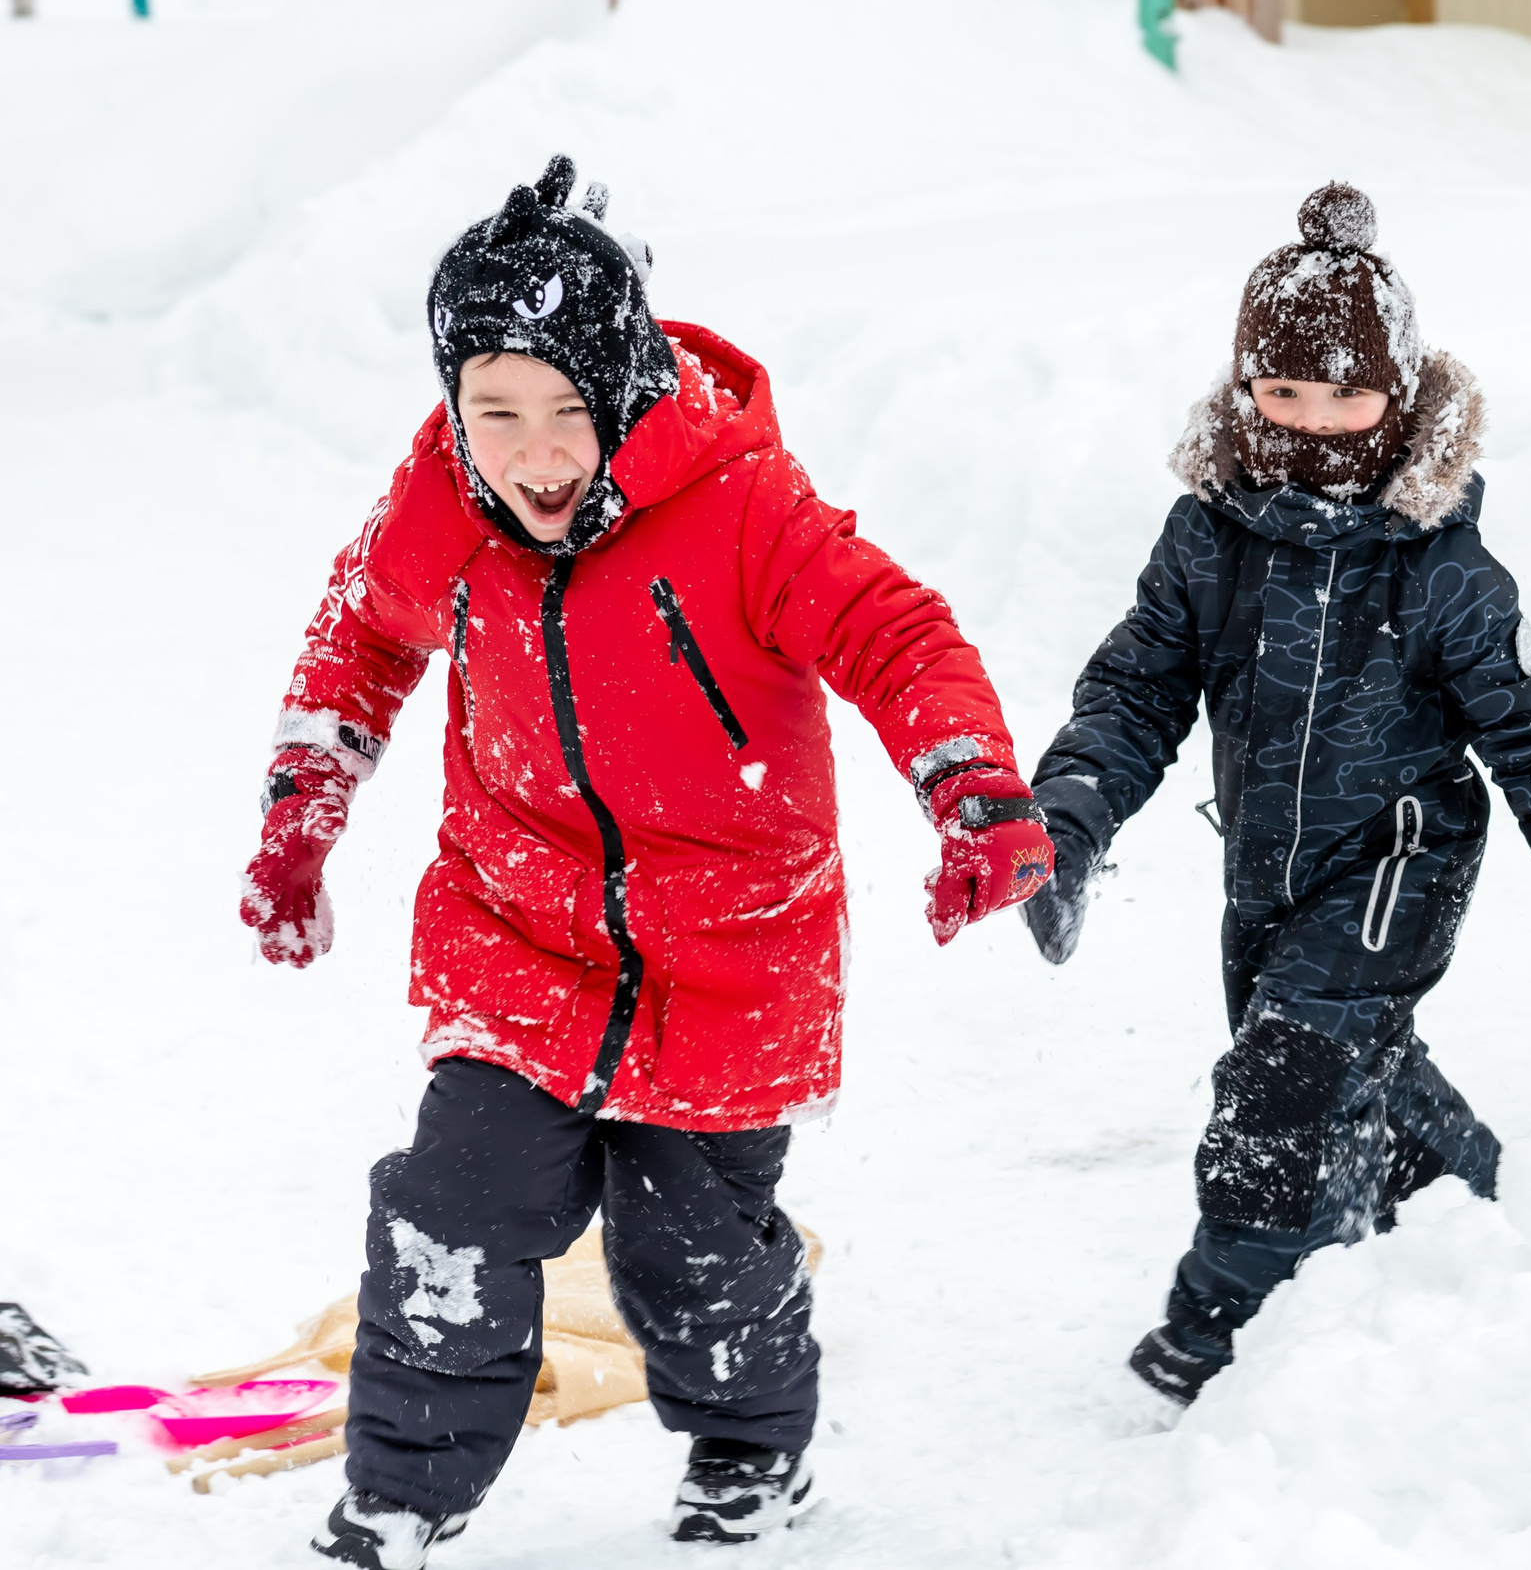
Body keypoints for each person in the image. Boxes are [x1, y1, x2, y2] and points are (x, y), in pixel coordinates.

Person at [237, 157, 1053, 1567]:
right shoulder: (440, 500)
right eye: (493, 413)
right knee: (453, 1206)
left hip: (734, 947)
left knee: (690, 1254)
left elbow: (898, 632)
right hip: (521, 930)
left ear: (623, 393)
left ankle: (750, 1454)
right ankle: (401, 1492)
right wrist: (305, 806)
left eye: (568, 412)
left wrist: (970, 782)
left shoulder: (744, 507)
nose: (534, 452)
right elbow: (360, 631)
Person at [1021, 183, 1531, 1410]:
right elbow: (1136, 688)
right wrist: (1069, 818)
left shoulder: (1442, 568)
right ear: (1244, 394)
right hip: (1266, 866)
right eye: (1282, 394)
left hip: (1400, 861)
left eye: (1347, 395)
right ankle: (1475, 1210)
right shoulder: (1209, 539)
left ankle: (1217, 1323)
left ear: (1398, 401)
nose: (1315, 423)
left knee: (1281, 1083)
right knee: (1346, 1065)